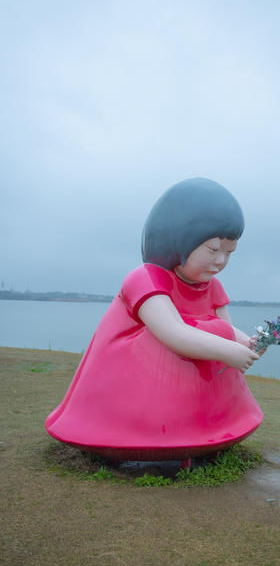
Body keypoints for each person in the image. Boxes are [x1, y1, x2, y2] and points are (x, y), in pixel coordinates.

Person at [45, 178, 264, 462]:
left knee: (215, 332)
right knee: (176, 340)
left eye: (229, 252)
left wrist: (247, 343)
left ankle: (214, 428)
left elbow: (225, 327)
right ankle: (154, 434)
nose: (221, 260)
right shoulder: (146, 279)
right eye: (213, 249)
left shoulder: (212, 288)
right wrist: (228, 349)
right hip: (127, 377)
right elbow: (172, 332)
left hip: (191, 392)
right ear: (179, 239)